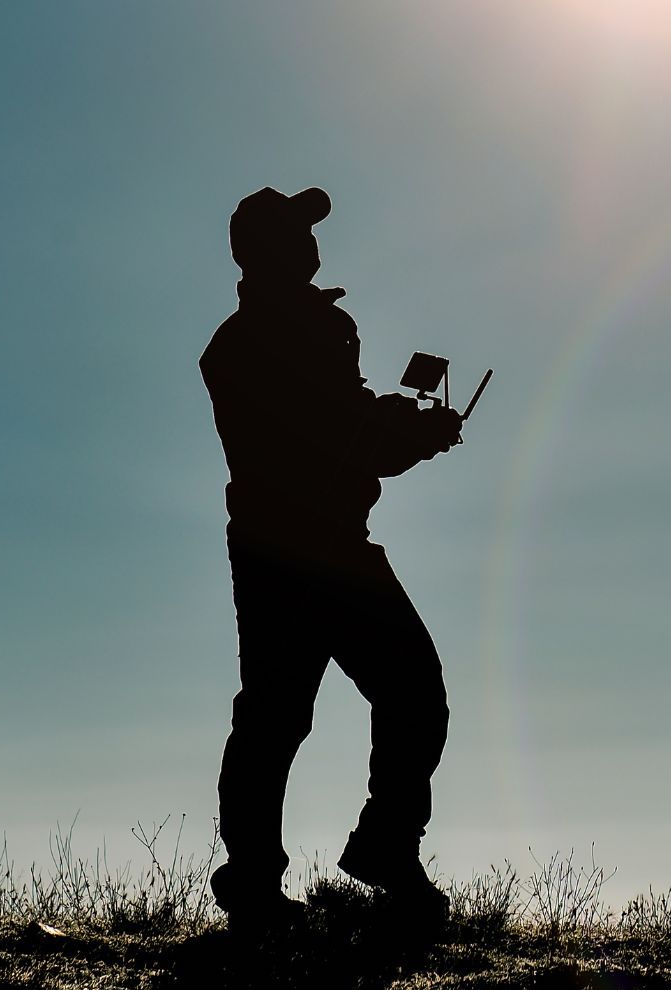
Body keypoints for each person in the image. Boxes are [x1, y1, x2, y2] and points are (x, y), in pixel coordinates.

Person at [200, 186, 463, 925]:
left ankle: (272, 876)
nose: (315, 243)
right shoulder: (287, 334)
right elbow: (337, 434)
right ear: (274, 249)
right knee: (382, 696)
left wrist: (399, 431)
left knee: (284, 715)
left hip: (290, 544)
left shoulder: (261, 336)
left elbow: (342, 426)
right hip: (307, 549)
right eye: (299, 232)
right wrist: (413, 434)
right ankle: (348, 857)